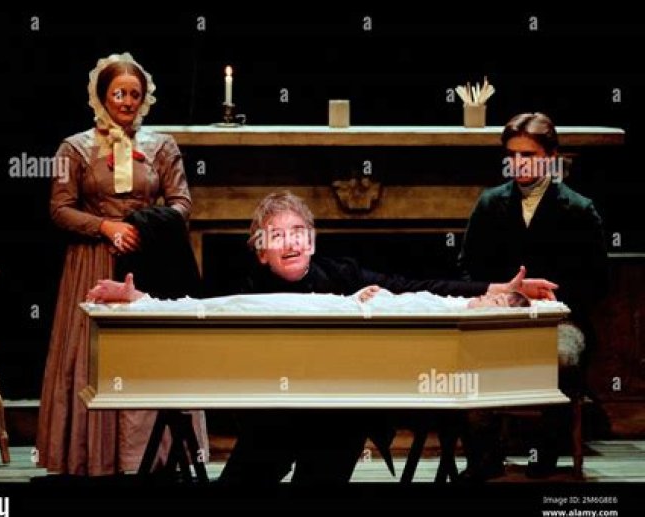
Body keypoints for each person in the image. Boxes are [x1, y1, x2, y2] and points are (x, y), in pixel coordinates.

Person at [91, 190, 558, 483]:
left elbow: (418, 288)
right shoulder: (242, 285)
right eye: (277, 236)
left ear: (312, 242)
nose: (291, 242)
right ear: (260, 251)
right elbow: (194, 308)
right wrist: (138, 299)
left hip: (337, 416)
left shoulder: (344, 275)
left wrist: (497, 289)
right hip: (271, 416)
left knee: (334, 443)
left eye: (299, 232)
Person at [36, 52, 206, 476]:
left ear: (144, 99)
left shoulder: (161, 146)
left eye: (134, 94)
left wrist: (145, 227)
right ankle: (93, 456)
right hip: (94, 261)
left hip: (149, 261)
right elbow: (59, 209)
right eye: (119, 94)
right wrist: (106, 226)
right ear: (101, 96)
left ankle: (157, 453)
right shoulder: (74, 148)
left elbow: (182, 203)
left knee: (148, 353)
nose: (127, 102)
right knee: (94, 355)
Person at [457, 112, 609, 480]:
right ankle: (484, 456)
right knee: (466, 353)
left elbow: (597, 282)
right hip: (499, 316)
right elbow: (467, 270)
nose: (519, 163)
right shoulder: (490, 204)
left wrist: (550, 298)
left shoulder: (579, 209)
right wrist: (502, 294)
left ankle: (545, 453)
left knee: (559, 355)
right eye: (512, 155)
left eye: (528, 155)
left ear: (551, 156)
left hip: (561, 319)